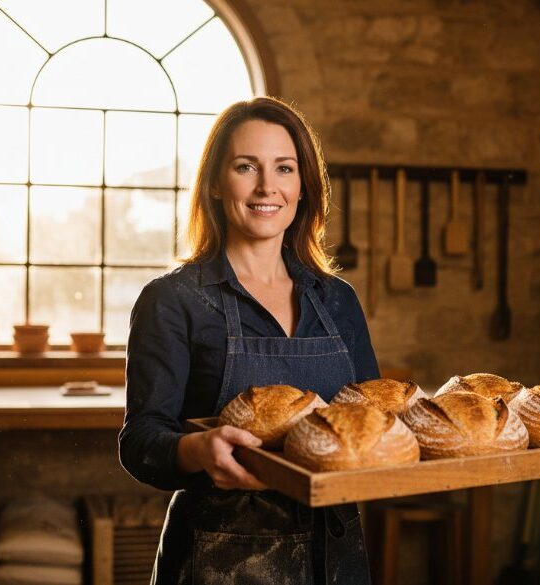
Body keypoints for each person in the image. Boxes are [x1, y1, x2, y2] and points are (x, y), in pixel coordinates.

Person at [119, 96, 379, 584]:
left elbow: (370, 422)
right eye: (246, 166)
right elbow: (140, 441)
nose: (267, 187)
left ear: (303, 187)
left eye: (284, 168)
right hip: (222, 559)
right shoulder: (173, 300)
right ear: (216, 183)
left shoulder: (337, 300)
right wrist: (198, 450)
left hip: (338, 559)